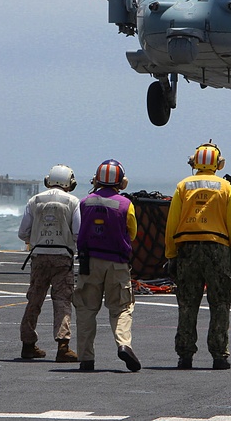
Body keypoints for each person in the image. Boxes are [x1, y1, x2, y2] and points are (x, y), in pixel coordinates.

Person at [165, 141, 231, 370]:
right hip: (218, 249)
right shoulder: (226, 188)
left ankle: (185, 356)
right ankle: (219, 356)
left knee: (187, 304)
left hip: (187, 249)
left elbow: (172, 224)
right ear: (219, 164)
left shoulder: (183, 186)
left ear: (194, 162)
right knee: (220, 303)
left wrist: (171, 255)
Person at [72, 159, 141, 372]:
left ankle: (86, 358)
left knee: (86, 310)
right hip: (117, 264)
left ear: (96, 179)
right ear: (122, 182)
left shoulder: (84, 202)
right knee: (121, 308)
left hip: (89, 262)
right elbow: (132, 233)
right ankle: (123, 344)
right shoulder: (126, 204)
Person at [17, 164, 81, 362]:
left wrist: (38, 239)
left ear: (48, 181)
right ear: (69, 183)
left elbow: (23, 233)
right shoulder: (73, 201)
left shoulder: (35, 200)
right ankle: (63, 346)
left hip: (39, 257)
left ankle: (28, 345)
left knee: (34, 300)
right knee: (62, 301)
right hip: (62, 257)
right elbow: (78, 232)